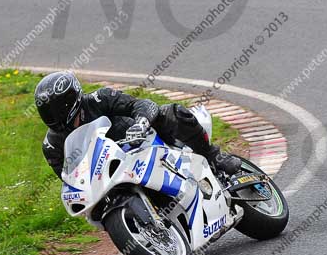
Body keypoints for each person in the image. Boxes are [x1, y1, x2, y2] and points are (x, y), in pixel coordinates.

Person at [35, 71, 242, 180]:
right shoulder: (52, 145)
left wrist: (141, 124)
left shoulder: (99, 99)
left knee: (172, 112)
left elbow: (141, 104)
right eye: (47, 111)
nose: (54, 116)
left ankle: (213, 156)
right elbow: (67, 178)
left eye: (57, 109)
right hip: (110, 172)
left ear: (71, 100)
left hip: (143, 141)